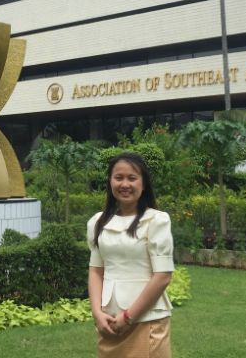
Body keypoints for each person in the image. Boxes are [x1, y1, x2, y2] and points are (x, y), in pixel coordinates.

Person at [87, 152, 174, 358]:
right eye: (119, 178)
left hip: (147, 317)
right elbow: (96, 271)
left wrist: (128, 317)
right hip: (109, 320)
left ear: (143, 185)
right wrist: (97, 313)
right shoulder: (98, 223)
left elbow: (163, 277)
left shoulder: (157, 221)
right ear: (110, 182)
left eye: (132, 178)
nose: (124, 184)